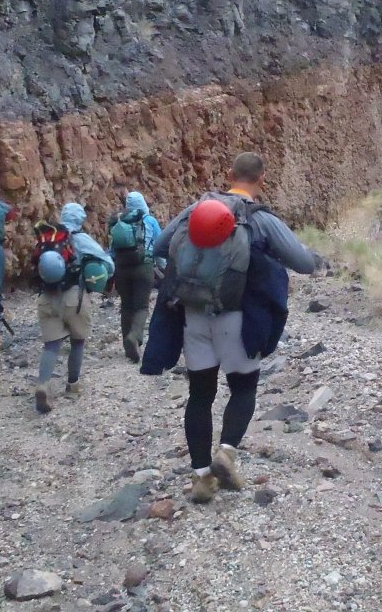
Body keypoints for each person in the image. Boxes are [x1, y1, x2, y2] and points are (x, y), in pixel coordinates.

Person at [152, 152, 319, 503]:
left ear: (229, 174)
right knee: (243, 388)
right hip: (237, 319)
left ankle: (201, 479)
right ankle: (225, 454)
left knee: (200, 394)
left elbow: (160, 245)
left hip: (195, 315)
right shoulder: (259, 219)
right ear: (261, 179)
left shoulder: (198, 207)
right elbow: (303, 263)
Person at [34, 202, 114, 414]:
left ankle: (43, 384)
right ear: (80, 219)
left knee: (51, 345)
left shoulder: (48, 237)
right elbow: (108, 263)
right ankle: (72, 385)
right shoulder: (80, 239)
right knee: (78, 341)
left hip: (46, 297)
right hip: (74, 297)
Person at [107, 191, 162, 363]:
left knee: (126, 306)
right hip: (144, 267)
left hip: (122, 268)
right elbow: (159, 245)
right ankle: (134, 336)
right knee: (142, 306)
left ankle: (127, 344)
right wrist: (164, 268)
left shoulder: (118, 222)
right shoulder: (150, 221)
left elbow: (112, 249)